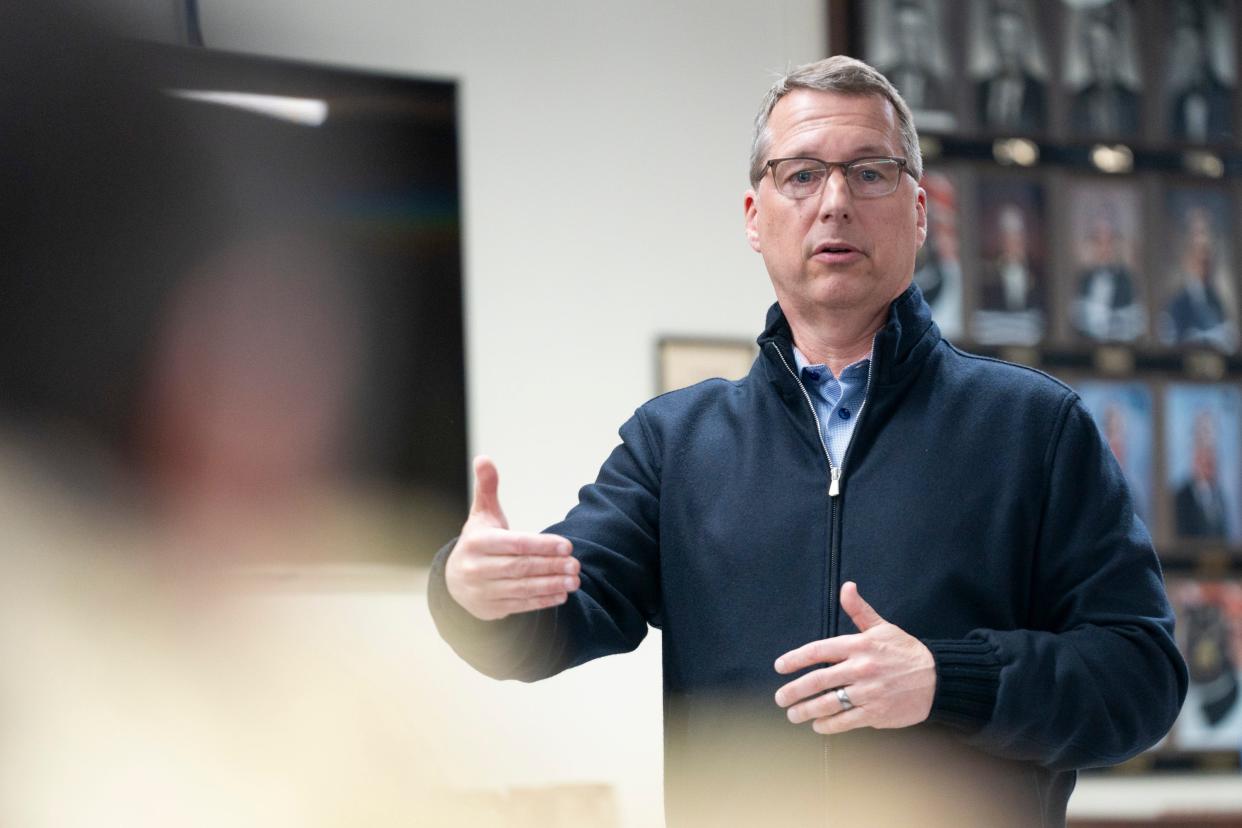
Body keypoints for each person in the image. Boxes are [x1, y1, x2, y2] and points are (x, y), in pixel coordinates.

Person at [428, 55, 1186, 827]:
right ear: (755, 216)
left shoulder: (1034, 427)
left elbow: (1141, 679)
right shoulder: (674, 444)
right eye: (800, 175)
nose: (834, 202)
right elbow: (550, 622)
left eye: (870, 173)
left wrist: (946, 679)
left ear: (920, 211)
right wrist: (472, 593)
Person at [1068, 2, 1141, 139]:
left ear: (1117, 49)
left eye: (1107, 47)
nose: (1100, 56)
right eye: (1094, 47)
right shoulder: (1077, 100)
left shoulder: (1133, 100)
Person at [1071, 207, 1144, 342]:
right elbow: (1076, 322)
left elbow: (1136, 324)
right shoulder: (1084, 280)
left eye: (1108, 242)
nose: (1104, 249)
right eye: (1099, 242)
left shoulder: (1126, 279)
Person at [975, 0, 1047, 133]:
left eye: (1012, 35)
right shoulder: (979, 88)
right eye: (1001, 35)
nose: (1006, 44)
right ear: (993, 39)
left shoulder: (1039, 89)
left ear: (1022, 39)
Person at [1174, 410, 1230, 540]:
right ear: (1194, 452)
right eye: (1203, 448)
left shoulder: (1220, 496)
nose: (1209, 456)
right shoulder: (1179, 497)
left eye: (1212, 449)